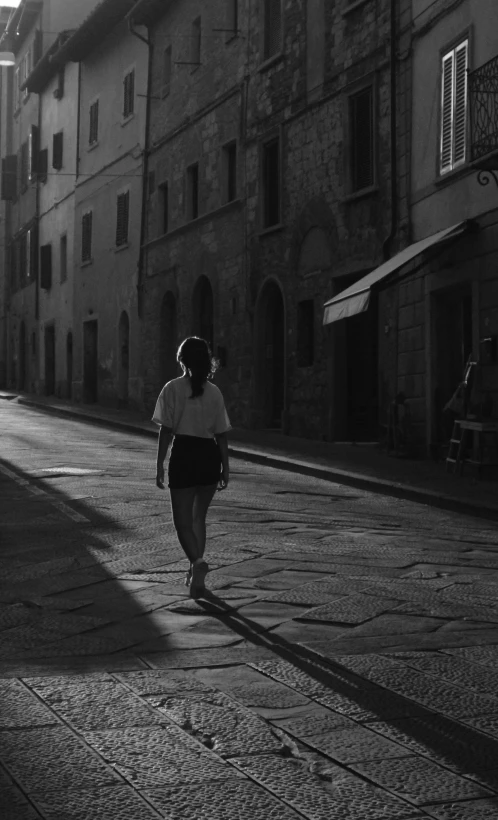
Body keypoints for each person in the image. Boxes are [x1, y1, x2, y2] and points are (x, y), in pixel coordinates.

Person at [153, 337, 231, 598]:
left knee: (182, 522)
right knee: (199, 519)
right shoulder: (215, 392)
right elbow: (221, 434)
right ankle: (196, 575)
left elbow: (166, 430)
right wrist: (226, 468)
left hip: (184, 455)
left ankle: (197, 563)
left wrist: (160, 464)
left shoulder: (172, 388)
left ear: (181, 360)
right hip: (209, 457)